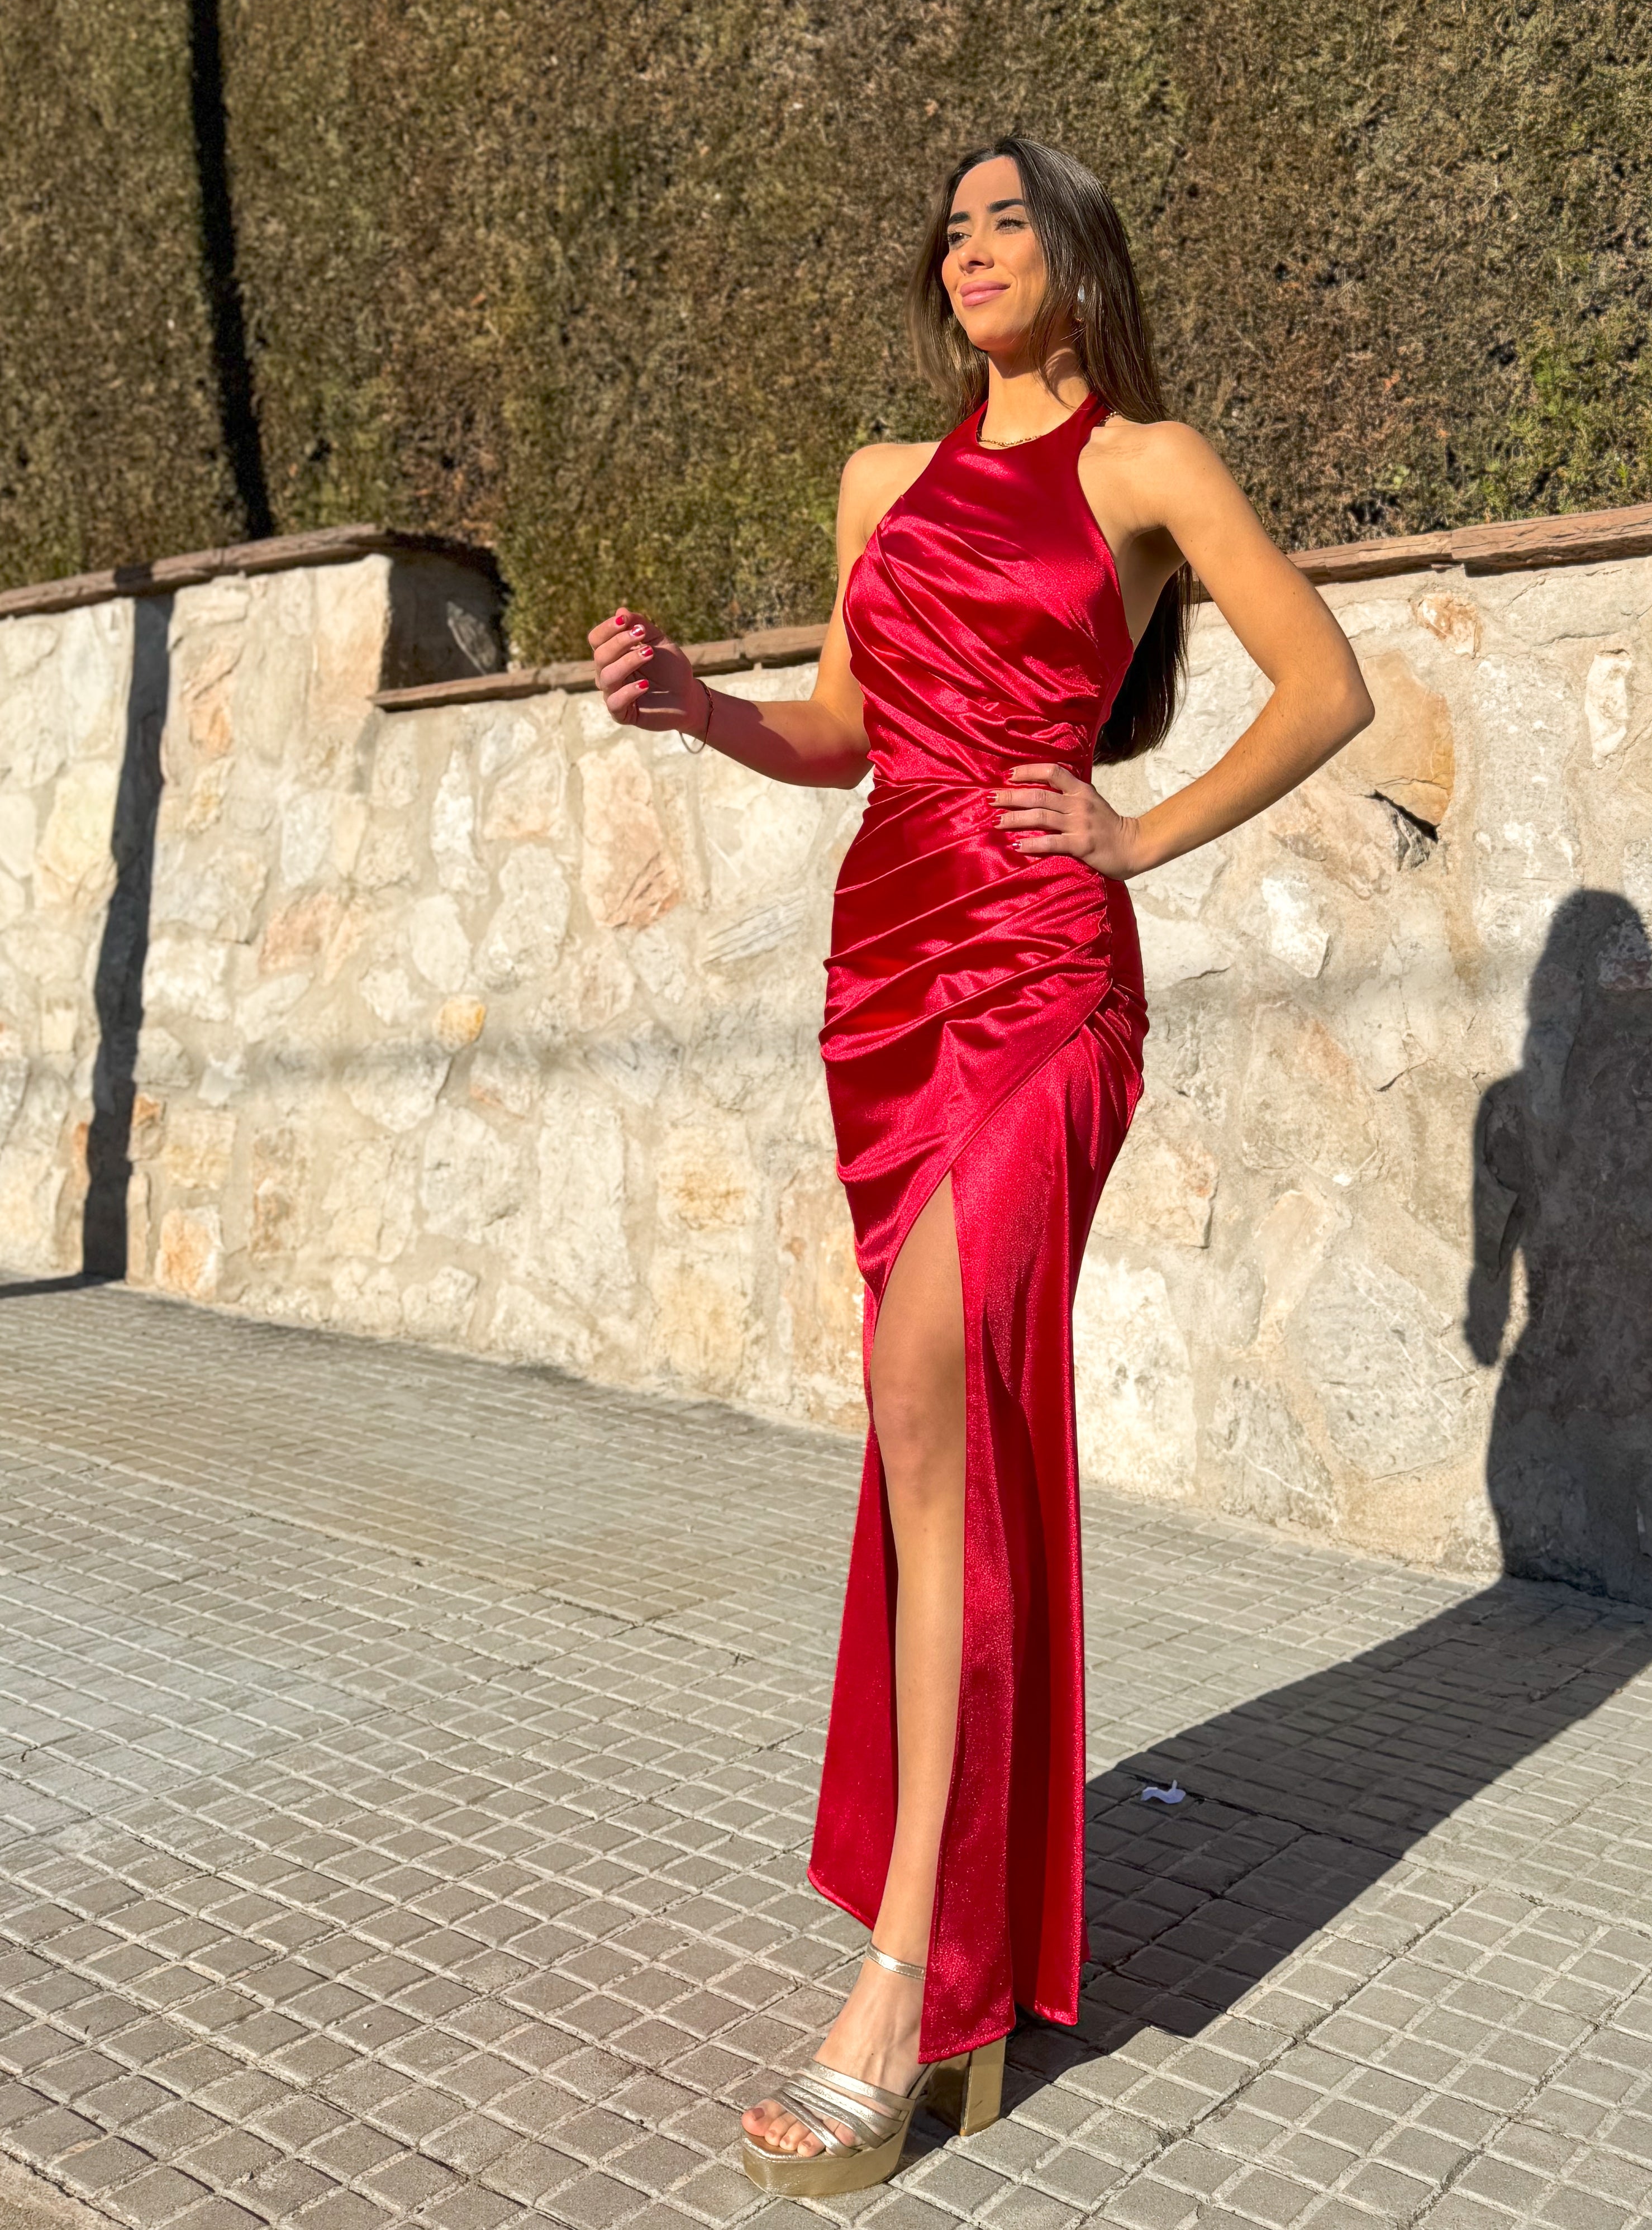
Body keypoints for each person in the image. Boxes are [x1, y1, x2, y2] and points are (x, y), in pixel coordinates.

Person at [588, 136, 1374, 2196]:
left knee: (937, 1381)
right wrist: (699, 712)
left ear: (1080, 249)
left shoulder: (1151, 466)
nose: (971, 247)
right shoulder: (877, 483)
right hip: (887, 967)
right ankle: (953, 1914)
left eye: (1008, 217)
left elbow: (1327, 685)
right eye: (948, 225)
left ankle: (909, 1975)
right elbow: (848, 733)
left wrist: (1131, 828)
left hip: (1044, 974)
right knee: (924, 1425)